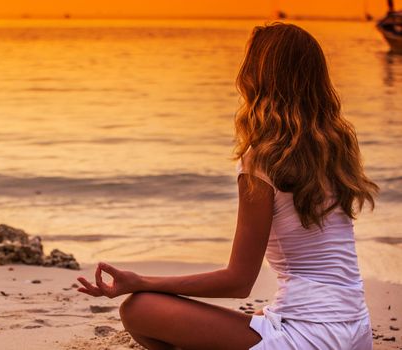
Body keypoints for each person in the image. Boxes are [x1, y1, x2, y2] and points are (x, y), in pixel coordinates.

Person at [76, 22, 379, 350]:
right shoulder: (337, 145)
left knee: (139, 308)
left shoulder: (262, 160)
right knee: (262, 315)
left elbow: (239, 281)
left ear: (256, 76)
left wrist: (140, 281)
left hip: (311, 337)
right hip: (356, 331)